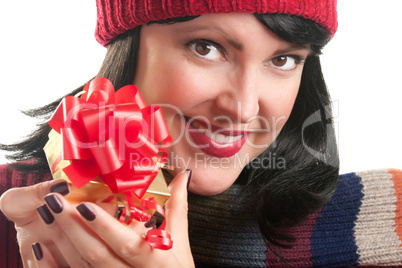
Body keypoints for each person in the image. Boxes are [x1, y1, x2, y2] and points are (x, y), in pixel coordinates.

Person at [0, 0, 339, 267]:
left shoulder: (372, 231)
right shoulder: (21, 211)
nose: (243, 108)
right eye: (206, 47)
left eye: (283, 60)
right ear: (128, 49)